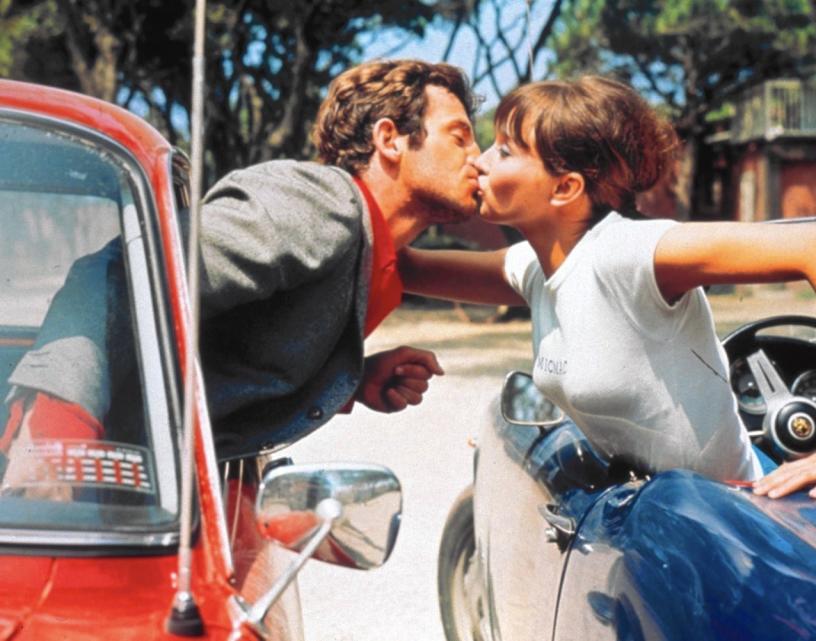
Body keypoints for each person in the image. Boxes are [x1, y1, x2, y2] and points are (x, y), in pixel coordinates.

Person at [398, 76, 816, 499]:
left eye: (504, 151)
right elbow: (404, 269)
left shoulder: (626, 252)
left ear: (565, 187)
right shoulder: (535, 265)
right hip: (655, 524)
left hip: (739, 523)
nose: (480, 162)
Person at [1, 59, 483, 475]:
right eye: (460, 138)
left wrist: (350, 379)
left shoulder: (378, 253)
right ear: (390, 140)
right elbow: (120, 272)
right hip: (80, 468)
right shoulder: (322, 208)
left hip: (154, 483)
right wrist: (56, 433)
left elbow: (231, 350)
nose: (478, 160)